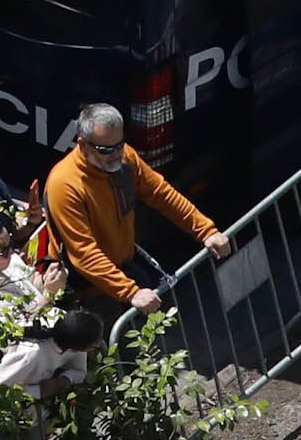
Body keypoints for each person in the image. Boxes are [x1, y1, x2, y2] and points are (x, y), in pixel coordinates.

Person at [39, 103, 224, 314]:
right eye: (106, 150)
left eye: (119, 144)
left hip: (124, 270)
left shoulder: (125, 158)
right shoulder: (65, 185)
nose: (117, 154)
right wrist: (130, 292)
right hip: (89, 292)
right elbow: (84, 254)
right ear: (82, 145)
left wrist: (206, 230)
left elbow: (160, 193)